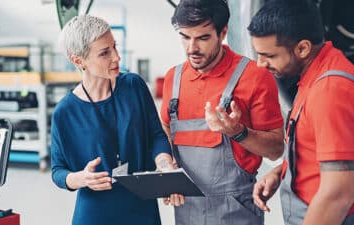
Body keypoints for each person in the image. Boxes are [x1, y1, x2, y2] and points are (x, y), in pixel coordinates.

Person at [160, 0, 284, 224]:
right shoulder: (173, 79)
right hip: (186, 211)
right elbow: (165, 130)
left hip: (237, 213)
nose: (192, 49)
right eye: (185, 37)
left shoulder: (255, 76)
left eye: (203, 38)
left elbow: (276, 149)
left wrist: (238, 132)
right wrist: (167, 170)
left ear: (223, 32)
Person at [50, 15, 175, 225]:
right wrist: (82, 178)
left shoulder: (134, 86)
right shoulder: (65, 112)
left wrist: (165, 166)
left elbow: (156, 136)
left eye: (114, 47)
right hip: (95, 213)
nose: (117, 57)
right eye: (104, 53)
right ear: (78, 61)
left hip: (142, 208)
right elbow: (58, 171)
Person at [248, 1, 354, 225]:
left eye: (269, 55)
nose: (260, 64)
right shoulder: (314, 74)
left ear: (303, 49)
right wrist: (282, 172)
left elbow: (338, 194)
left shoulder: (329, 91)